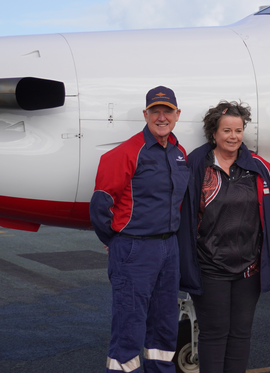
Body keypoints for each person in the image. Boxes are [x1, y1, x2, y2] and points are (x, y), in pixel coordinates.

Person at [90, 86, 189, 373]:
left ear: (177, 115)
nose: (161, 117)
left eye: (167, 111)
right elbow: (100, 205)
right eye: (155, 111)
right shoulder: (126, 153)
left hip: (169, 249)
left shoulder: (179, 152)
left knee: (164, 327)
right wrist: (115, 240)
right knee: (129, 329)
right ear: (145, 114)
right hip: (135, 250)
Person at [178, 101, 270, 373]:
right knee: (214, 333)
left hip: (249, 268)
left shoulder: (257, 167)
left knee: (240, 334)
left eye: (238, 130)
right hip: (209, 267)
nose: (233, 136)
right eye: (226, 130)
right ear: (214, 133)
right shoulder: (196, 165)